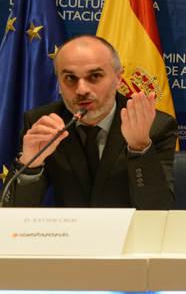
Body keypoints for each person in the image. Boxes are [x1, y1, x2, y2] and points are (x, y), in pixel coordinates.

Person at [2, 34, 176, 208]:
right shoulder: (42, 124)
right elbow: (12, 214)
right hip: (69, 226)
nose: (82, 90)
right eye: (70, 78)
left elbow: (159, 209)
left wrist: (139, 147)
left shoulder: (154, 126)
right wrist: (30, 164)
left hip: (131, 226)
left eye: (95, 76)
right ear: (59, 83)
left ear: (118, 79)